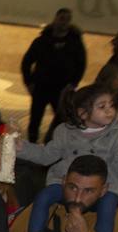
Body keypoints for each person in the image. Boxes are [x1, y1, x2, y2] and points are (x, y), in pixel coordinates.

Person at [17, 84, 118, 232]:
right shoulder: (65, 132)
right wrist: (22, 148)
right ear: (83, 113)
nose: (109, 110)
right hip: (68, 183)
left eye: (111, 105)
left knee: (108, 208)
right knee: (44, 196)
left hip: (106, 185)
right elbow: (46, 155)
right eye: (102, 106)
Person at [20, 8, 87, 143]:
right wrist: (29, 82)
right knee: (35, 119)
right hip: (41, 86)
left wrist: (73, 83)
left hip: (62, 89)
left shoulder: (75, 43)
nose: (64, 22)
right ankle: (32, 144)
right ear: (55, 19)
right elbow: (26, 62)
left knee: (62, 120)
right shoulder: (42, 41)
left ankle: (54, 145)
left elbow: (81, 65)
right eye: (62, 18)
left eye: (67, 19)